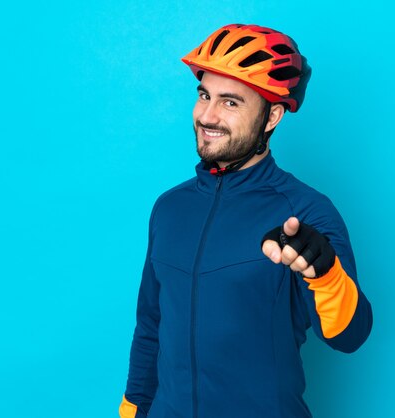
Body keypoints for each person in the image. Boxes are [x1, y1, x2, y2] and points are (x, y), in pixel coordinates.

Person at [119, 23, 372, 418]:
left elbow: (350, 336)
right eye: (204, 96)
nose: (208, 115)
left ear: (271, 117)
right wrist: (132, 409)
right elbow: (151, 326)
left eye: (231, 102)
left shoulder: (305, 212)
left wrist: (325, 272)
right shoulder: (169, 208)